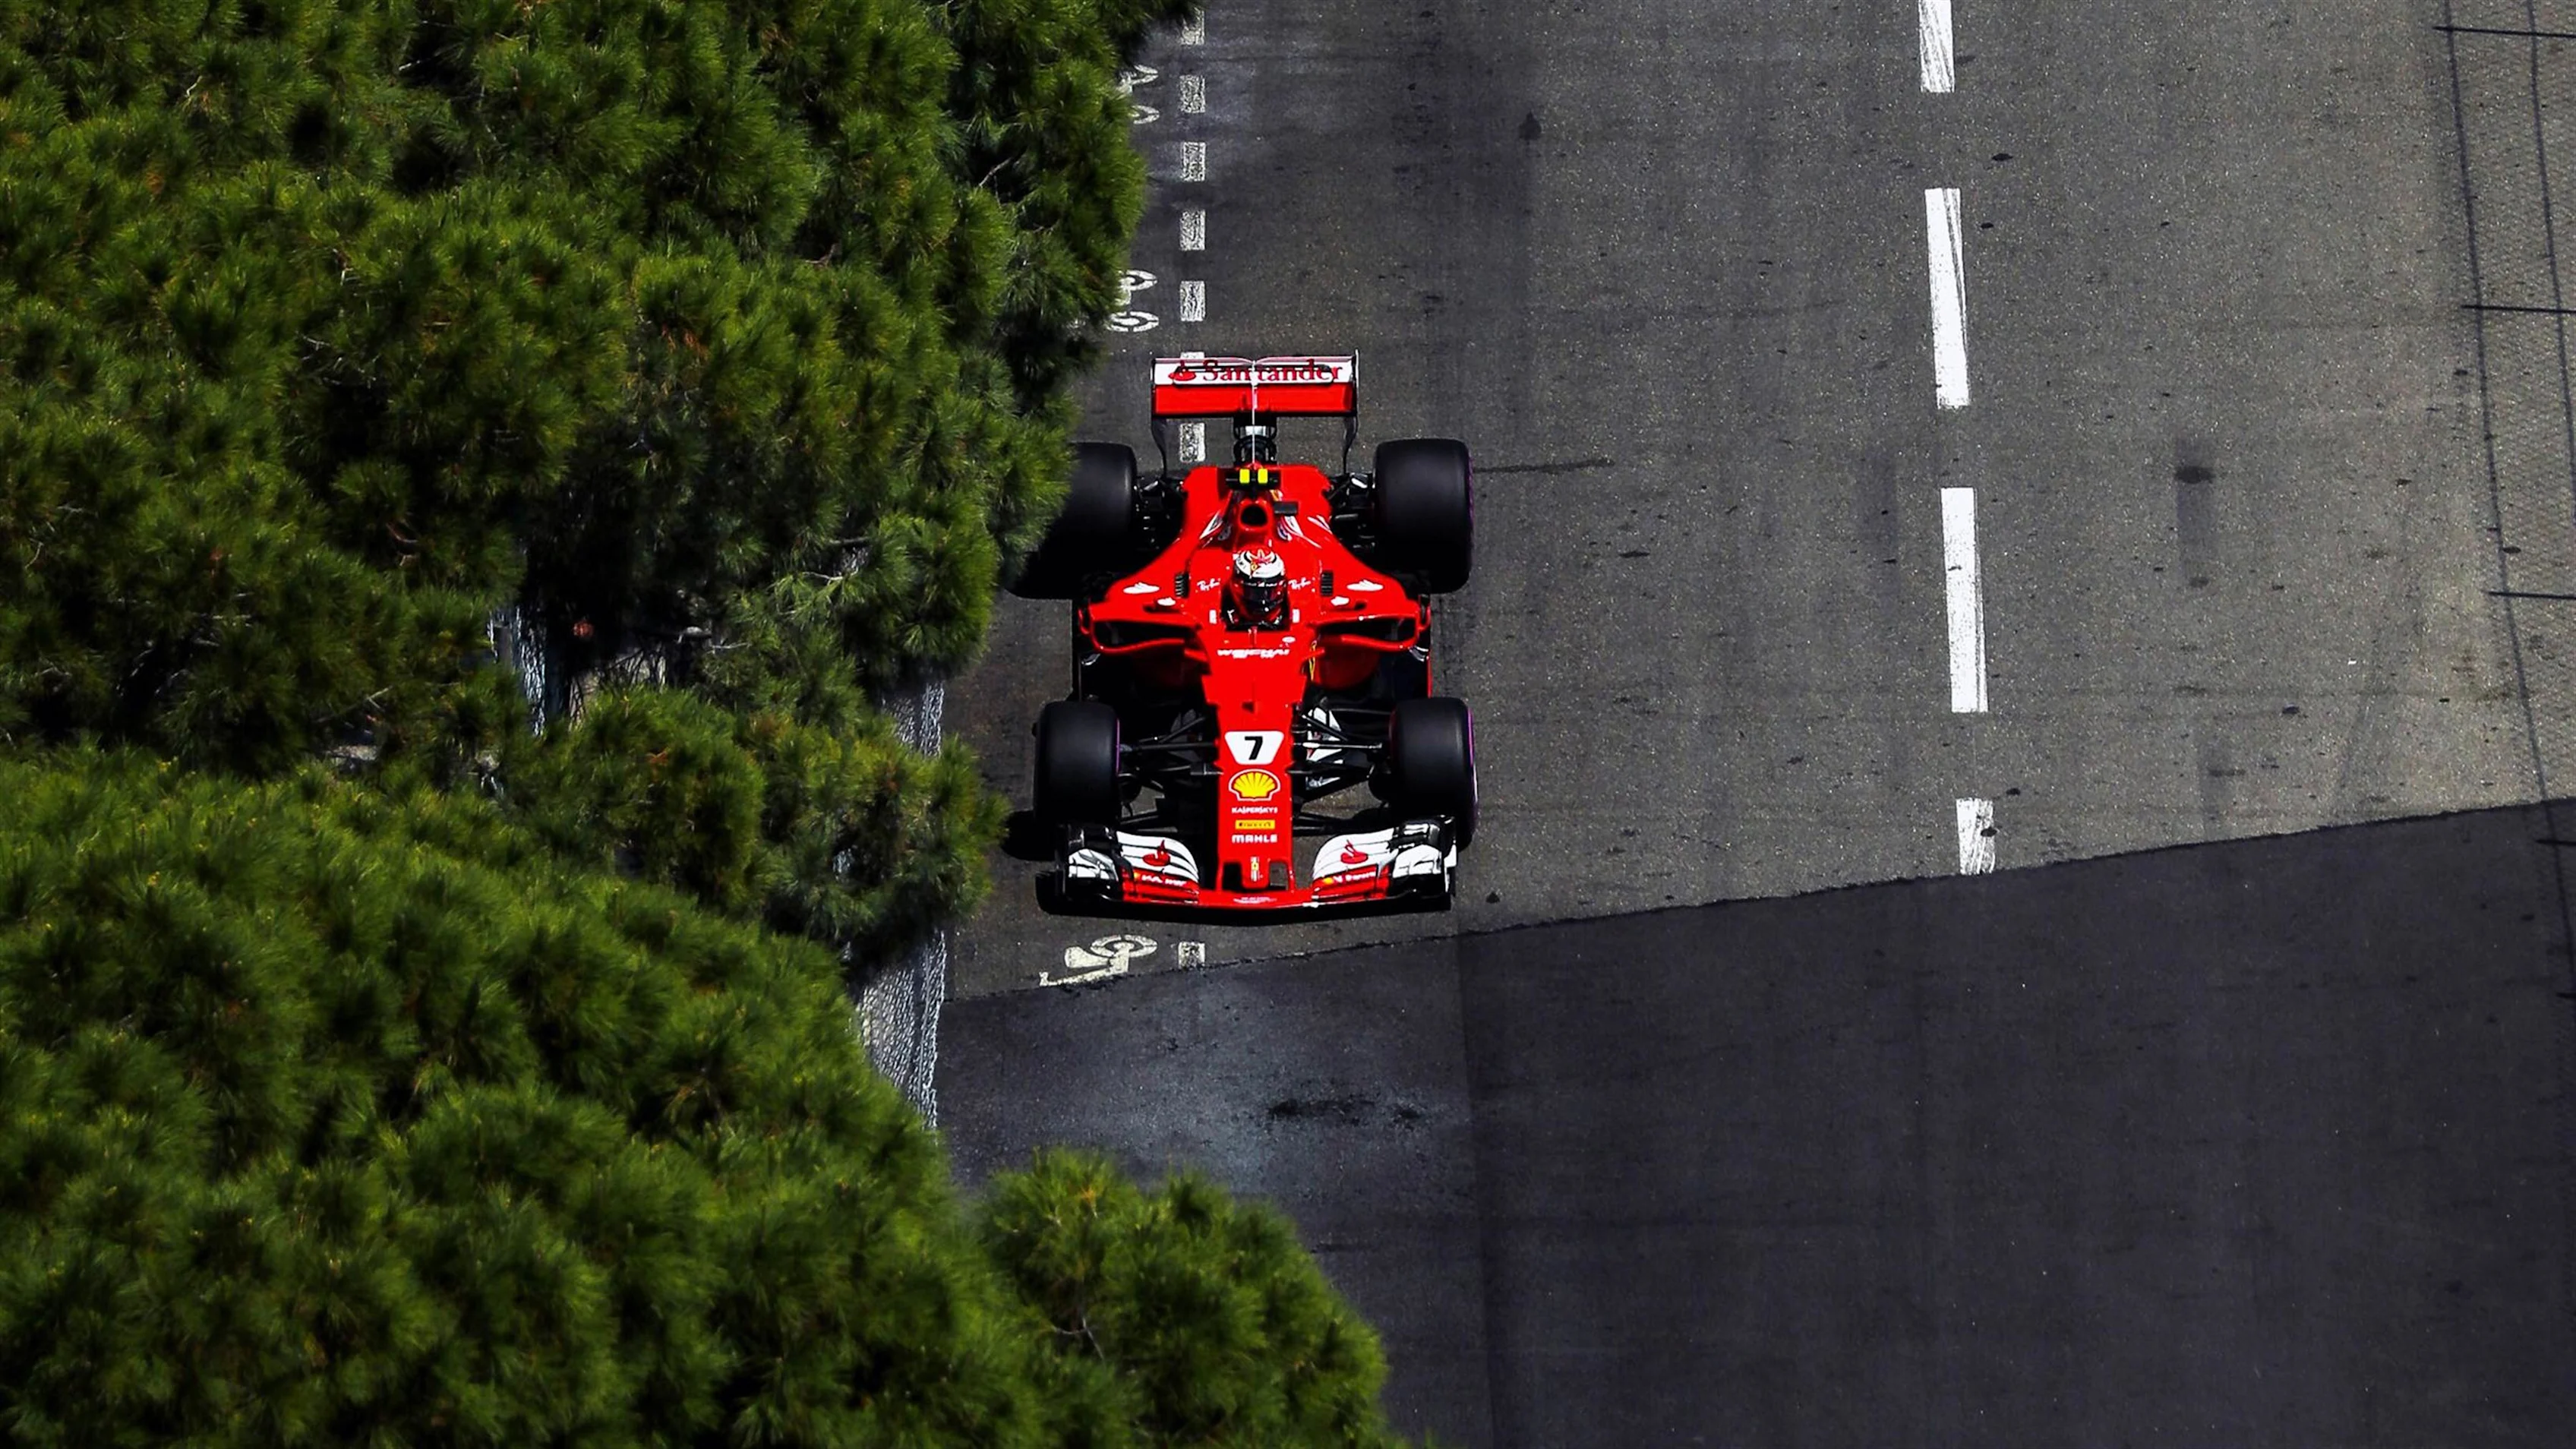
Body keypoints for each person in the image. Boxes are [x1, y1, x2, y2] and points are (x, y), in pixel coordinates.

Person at [1226, 548, 1290, 629]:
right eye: (1254, 592)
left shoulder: (1286, 612)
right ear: (1236, 586)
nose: (1261, 600)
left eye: (1268, 592)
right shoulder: (1226, 612)